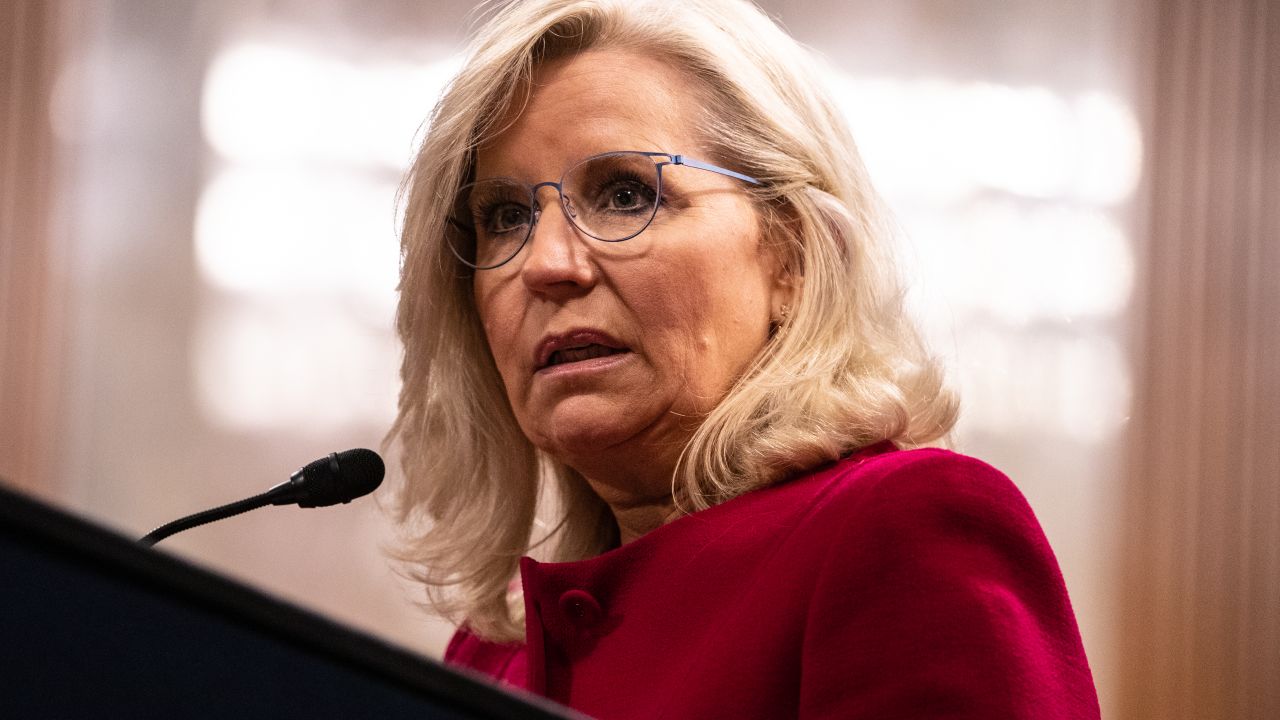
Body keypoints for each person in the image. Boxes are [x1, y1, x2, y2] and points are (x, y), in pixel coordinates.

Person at [387, 0, 1101, 717]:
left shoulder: (902, 532)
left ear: (790, 254)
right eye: (505, 216)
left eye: (626, 194)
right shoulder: (491, 651)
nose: (545, 264)